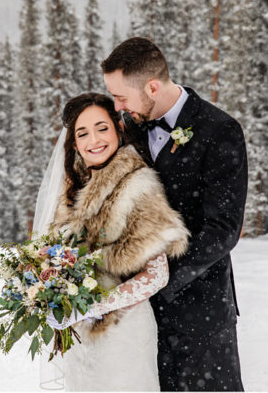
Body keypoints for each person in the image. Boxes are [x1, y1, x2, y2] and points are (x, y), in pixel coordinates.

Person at [102, 37, 248, 391]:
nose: (117, 106)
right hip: (137, 321)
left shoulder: (220, 131)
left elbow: (223, 230)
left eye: (121, 97)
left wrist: (158, 279)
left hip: (200, 312)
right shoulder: (129, 127)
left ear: (152, 86)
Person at [43, 92, 190, 391]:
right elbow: (56, 257)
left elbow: (156, 275)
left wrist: (94, 306)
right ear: (73, 142)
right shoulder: (71, 191)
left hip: (125, 334)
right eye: (82, 133)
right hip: (80, 340)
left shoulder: (138, 184)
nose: (94, 139)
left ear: (117, 129)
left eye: (101, 128)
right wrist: (52, 298)